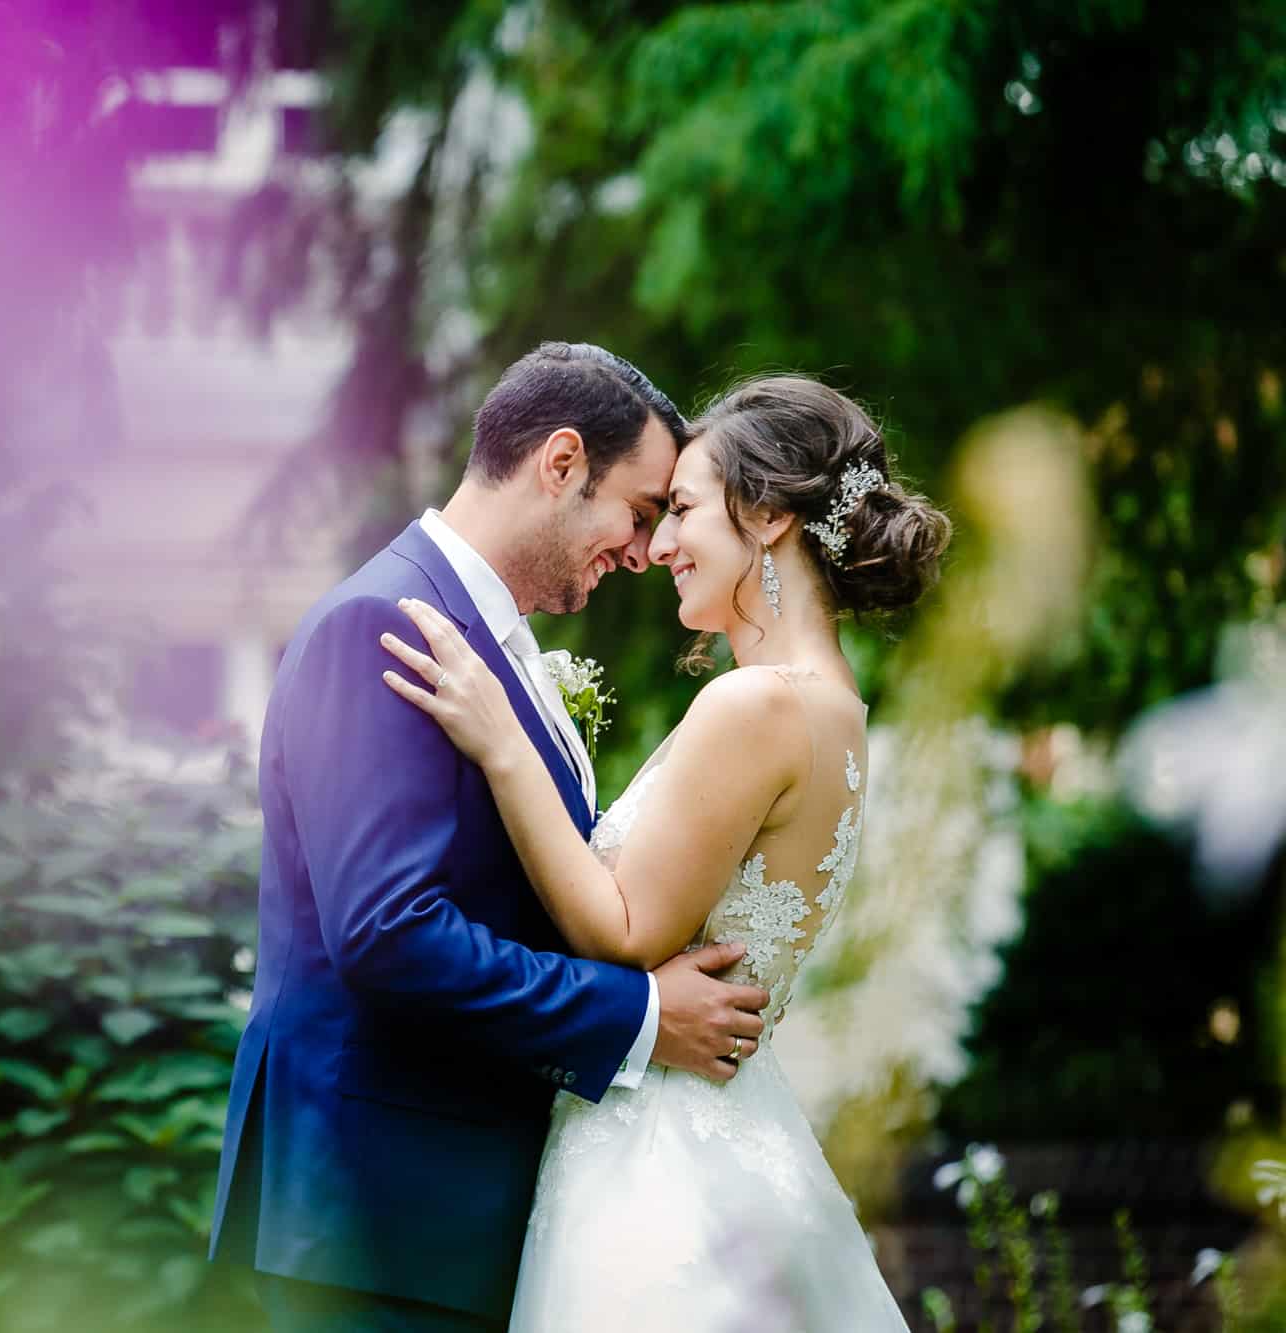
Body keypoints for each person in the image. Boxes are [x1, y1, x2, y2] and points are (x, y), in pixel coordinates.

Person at [210, 343, 773, 1333]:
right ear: (559, 464)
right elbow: (389, 932)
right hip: (376, 1216)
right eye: (638, 513)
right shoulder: (381, 625)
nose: (642, 552)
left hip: (437, 1213)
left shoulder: (476, 632)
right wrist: (639, 1016)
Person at [379, 373, 952, 1330]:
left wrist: (502, 742)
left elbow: (625, 932)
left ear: (767, 515)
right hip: (740, 1137)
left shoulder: (755, 704)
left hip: (660, 1169)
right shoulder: (835, 706)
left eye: (681, 509)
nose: (659, 547)